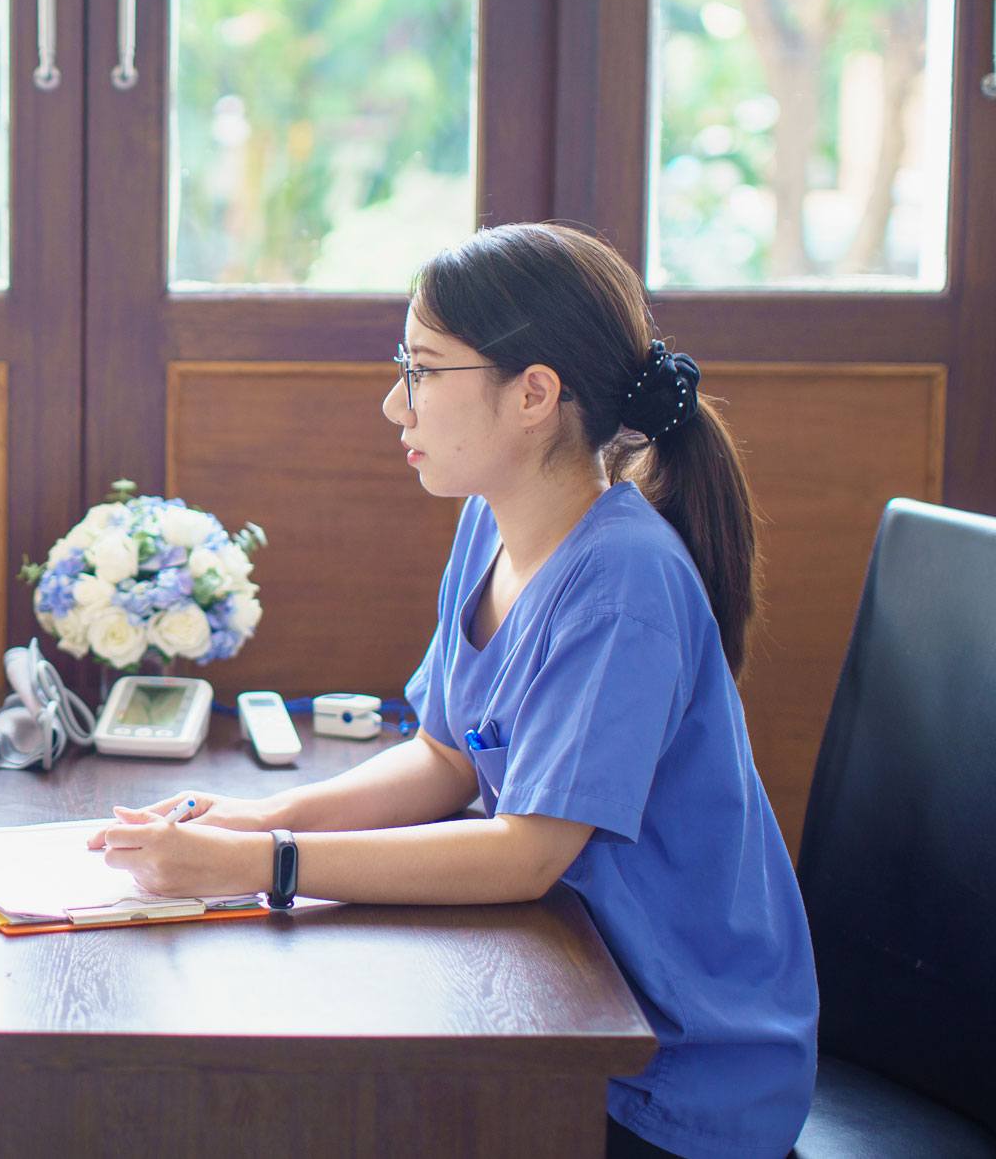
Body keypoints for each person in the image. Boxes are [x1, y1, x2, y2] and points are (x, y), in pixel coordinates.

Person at [91, 223, 818, 1158]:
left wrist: (262, 864)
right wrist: (255, 816)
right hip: (566, 997)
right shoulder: (492, 522)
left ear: (535, 393)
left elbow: (527, 854)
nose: (397, 403)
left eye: (424, 371)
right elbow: (443, 754)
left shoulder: (624, 584)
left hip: (671, 1073)